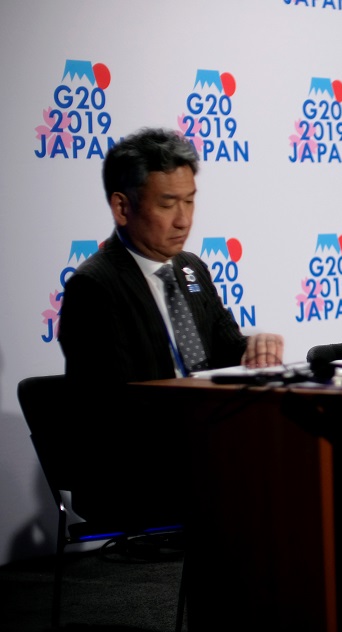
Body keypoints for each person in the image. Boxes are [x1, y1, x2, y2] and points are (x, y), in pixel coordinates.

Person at [57, 126, 284, 525]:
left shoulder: (191, 268)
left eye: (190, 202)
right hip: (134, 466)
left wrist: (254, 348)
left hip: (202, 444)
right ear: (122, 208)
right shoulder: (95, 287)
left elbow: (226, 351)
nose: (184, 220)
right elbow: (115, 406)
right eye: (167, 204)